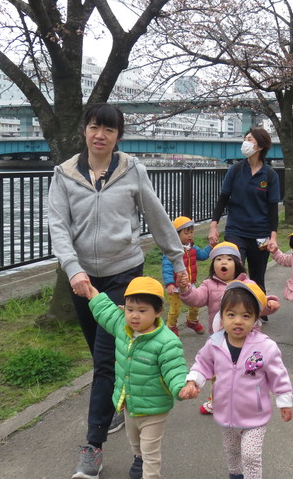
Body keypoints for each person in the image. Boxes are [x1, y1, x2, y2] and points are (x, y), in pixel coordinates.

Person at [48, 102, 188, 479]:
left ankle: (93, 446)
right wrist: (73, 268)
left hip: (124, 276)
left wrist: (177, 259)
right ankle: (125, 406)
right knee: (104, 360)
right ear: (85, 130)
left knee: (107, 357)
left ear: (118, 136)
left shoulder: (131, 170)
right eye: (95, 127)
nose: (100, 135)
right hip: (83, 281)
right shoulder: (64, 175)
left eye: (109, 130)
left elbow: (156, 215)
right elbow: (58, 226)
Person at [179, 281, 293, 479]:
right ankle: (235, 475)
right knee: (232, 451)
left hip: (255, 414)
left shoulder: (265, 347)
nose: (238, 321)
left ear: (256, 318)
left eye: (246, 316)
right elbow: (202, 365)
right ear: (222, 316)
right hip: (225, 412)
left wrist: (284, 401)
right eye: (231, 315)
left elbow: (279, 375)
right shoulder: (215, 344)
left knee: (250, 456)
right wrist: (192, 382)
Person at [84, 276, 190, 479]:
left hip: (154, 408)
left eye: (142, 311)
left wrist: (181, 387)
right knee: (135, 442)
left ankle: (150, 474)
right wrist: (91, 292)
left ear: (157, 312)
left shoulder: (167, 342)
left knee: (150, 451)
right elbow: (105, 310)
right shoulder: (122, 327)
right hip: (129, 403)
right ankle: (138, 458)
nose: (134, 316)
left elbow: (175, 370)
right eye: (130, 309)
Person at [178, 241, 279, 415]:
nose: (223, 262)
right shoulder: (209, 284)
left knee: (248, 372)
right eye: (218, 259)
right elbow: (196, 298)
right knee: (218, 372)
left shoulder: (247, 284)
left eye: (228, 259)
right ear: (213, 265)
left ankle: (252, 401)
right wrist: (186, 289)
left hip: (248, 339)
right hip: (220, 340)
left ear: (237, 263)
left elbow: (259, 302)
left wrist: (270, 304)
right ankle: (216, 400)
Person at [208, 127, 280, 310]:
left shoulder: (270, 175)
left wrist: (273, 237)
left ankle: (259, 309)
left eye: (250, 139)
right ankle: (232, 310)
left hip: (261, 234)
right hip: (236, 230)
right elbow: (223, 199)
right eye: (245, 138)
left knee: (257, 276)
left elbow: (273, 209)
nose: (245, 143)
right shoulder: (235, 170)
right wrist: (213, 226)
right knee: (234, 270)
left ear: (260, 146)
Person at [162, 216, 211, 336]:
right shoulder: (171, 250)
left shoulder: (192, 248)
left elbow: (203, 255)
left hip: (190, 284)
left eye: (191, 232)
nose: (190, 235)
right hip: (176, 286)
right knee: (175, 309)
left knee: (195, 305)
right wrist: (169, 284)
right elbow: (167, 268)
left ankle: (192, 321)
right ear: (176, 235)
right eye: (186, 233)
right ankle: (171, 327)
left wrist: (210, 246)